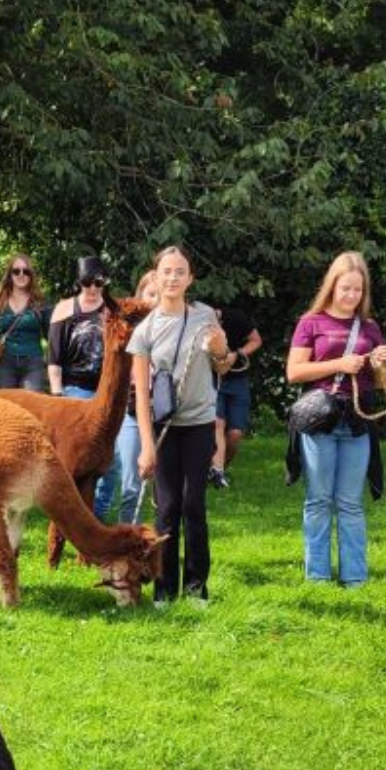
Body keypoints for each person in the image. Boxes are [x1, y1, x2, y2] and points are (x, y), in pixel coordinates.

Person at [286, 251, 386, 587]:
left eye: (357, 290)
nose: (351, 295)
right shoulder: (311, 322)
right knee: (319, 499)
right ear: (332, 286)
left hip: (358, 420)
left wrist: (380, 366)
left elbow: (381, 383)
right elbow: (294, 372)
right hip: (321, 418)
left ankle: (355, 578)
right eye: (345, 288)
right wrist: (339, 364)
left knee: (350, 502)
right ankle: (317, 578)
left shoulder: (370, 327)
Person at [129, 245, 229, 605]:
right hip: (164, 428)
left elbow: (223, 365)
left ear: (190, 278)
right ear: (155, 278)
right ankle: (164, 589)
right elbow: (141, 396)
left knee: (193, 506)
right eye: (166, 272)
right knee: (167, 509)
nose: (172, 278)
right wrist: (146, 445)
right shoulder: (145, 330)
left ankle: (197, 588)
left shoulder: (205, 316)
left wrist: (219, 348)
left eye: (179, 272)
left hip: (199, 424)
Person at [48, 253, 120, 518]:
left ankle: (95, 517)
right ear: (79, 283)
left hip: (106, 392)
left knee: (113, 462)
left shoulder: (113, 311)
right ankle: (73, 515)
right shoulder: (65, 309)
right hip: (75, 391)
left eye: (98, 283)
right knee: (76, 461)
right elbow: (54, 359)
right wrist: (58, 395)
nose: (92, 289)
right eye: (86, 283)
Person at [106, 270, 159, 523]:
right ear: (140, 296)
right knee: (130, 485)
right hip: (132, 411)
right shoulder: (128, 330)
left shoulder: (176, 328)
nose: (155, 300)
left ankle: (162, 539)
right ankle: (126, 537)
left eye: (160, 295)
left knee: (164, 489)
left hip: (166, 413)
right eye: (151, 294)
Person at [0, 254, 47, 390]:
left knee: (31, 400)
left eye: (26, 271)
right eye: (16, 271)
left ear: (31, 275)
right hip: (4, 362)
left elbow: (51, 335)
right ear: (10, 274)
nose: (21, 275)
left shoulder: (40, 301)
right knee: (5, 401)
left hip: (33, 362)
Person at [208, 305, 263, 488]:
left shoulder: (236, 317)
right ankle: (217, 472)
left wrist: (237, 354)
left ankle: (217, 470)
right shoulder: (198, 320)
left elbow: (256, 340)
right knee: (218, 423)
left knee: (235, 434)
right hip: (211, 379)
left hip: (237, 380)